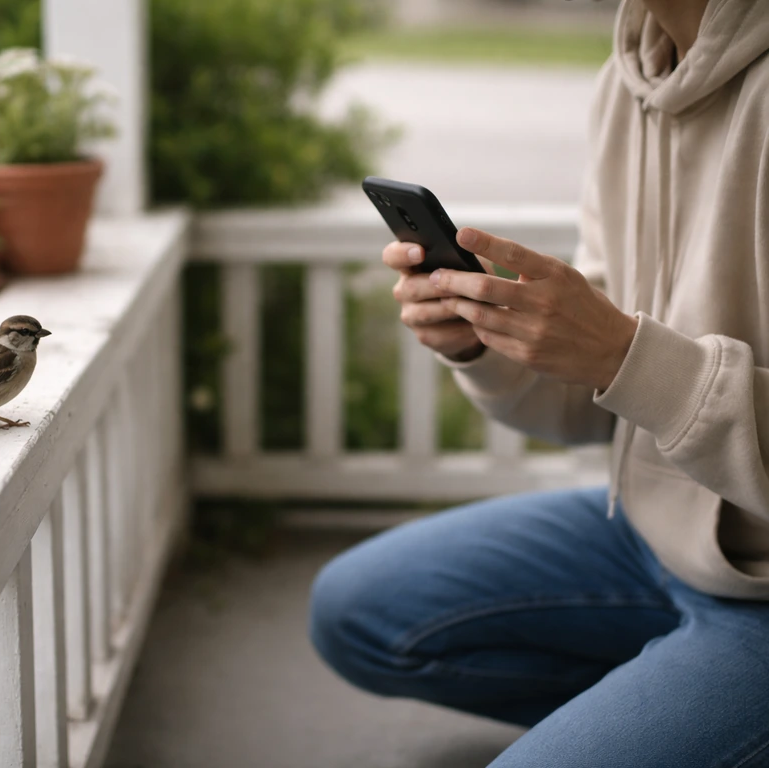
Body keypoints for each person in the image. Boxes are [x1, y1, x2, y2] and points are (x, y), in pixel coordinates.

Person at [308, 1, 769, 765]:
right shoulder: (626, 84)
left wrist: (627, 354)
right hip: (657, 531)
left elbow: (630, 362)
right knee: (357, 610)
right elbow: (600, 402)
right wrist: (488, 341)